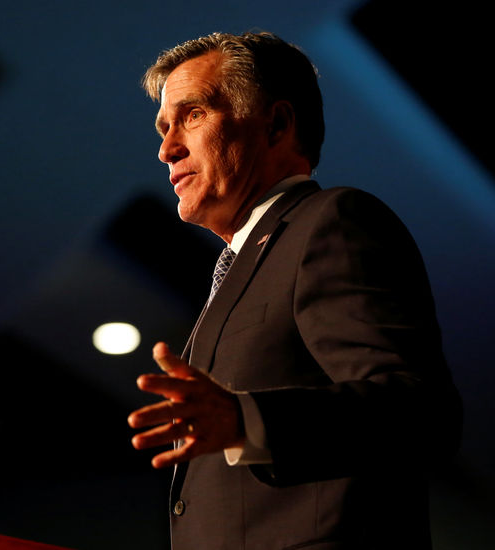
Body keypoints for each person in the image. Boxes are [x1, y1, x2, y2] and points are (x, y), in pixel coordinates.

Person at [127, 31, 462, 549]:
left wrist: (247, 421)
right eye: (164, 127)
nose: (166, 148)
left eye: (192, 115)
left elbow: (420, 415)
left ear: (277, 124)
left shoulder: (331, 222)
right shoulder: (243, 264)